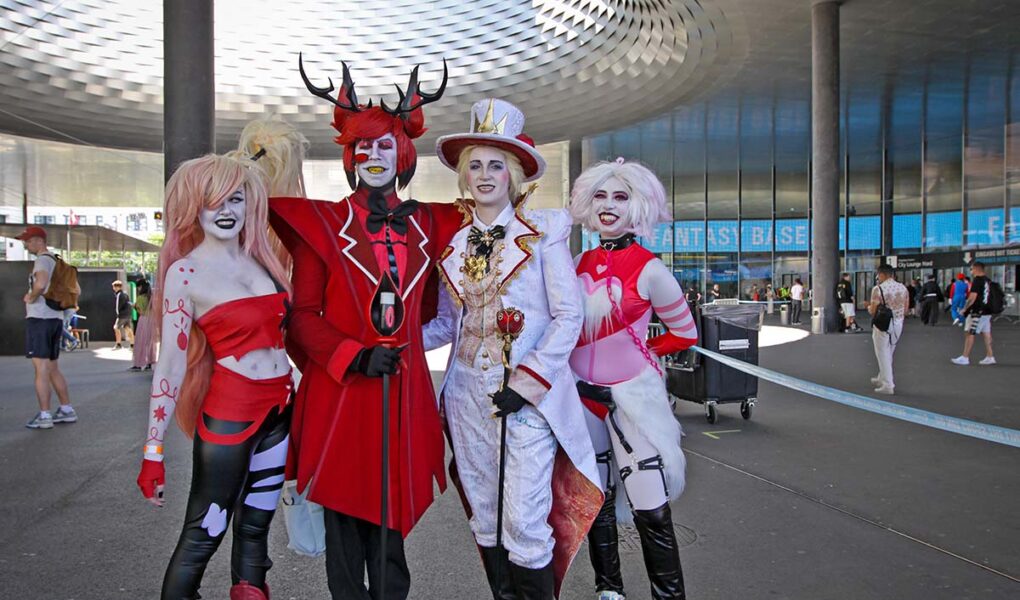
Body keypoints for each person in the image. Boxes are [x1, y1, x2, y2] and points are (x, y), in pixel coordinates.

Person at [267, 59, 463, 600]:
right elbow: (302, 316)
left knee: (392, 515)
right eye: (362, 147)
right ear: (349, 157)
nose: (373, 156)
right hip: (343, 392)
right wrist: (352, 354)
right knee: (344, 516)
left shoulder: (435, 221)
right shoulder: (323, 225)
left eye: (384, 146)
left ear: (403, 155)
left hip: (403, 391)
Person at [423, 98, 602, 599]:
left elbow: (568, 316)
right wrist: (390, 341)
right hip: (465, 396)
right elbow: (448, 324)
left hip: (527, 401)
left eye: (495, 165)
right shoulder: (452, 245)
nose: (484, 175)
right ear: (464, 174)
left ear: (514, 175)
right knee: (485, 515)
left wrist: (527, 383)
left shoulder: (544, 233)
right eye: (475, 165)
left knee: (523, 521)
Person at [134, 155, 292, 600]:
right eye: (212, 200)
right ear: (193, 208)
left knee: (256, 527)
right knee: (205, 530)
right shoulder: (185, 272)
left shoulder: (262, 260)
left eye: (235, 199)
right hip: (231, 416)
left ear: (249, 204)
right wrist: (153, 451)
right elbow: (170, 365)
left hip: (280, 411)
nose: (225, 210)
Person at [570, 158, 698, 600]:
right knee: (596, 500)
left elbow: (685, 333)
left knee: (651, 506)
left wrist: (644, 353)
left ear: (638, 206)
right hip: (580, 397)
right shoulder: (576, 262)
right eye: (600, 196)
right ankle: (609, 590)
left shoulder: (651, 269)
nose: (608, 206)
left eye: (620, 197)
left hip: (630, 397)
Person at [17, 226, 77, 430]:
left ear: (39, 241)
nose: (26, 245)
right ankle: (66, 409)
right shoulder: (57, 261)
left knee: (41, 368)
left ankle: (44, 415)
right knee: (52, 367)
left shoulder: (42, 260)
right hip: (55, 319)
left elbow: (41, 283)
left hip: (40, 318)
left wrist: (31, 296)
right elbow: (75, 289)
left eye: (28, 241)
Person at [868, 264, 908, 395]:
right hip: (898, 322)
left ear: (882, 275)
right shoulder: (903, 288)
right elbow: (906, 308)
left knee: (882, 352)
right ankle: (882, 377)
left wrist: (868, 308)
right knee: (890, 350)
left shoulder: (878, 289)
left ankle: (888, 384)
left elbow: (873, 310)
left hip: (883, 323)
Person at [951, 261, 996, 366]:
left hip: (977, 312)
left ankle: (965, 357)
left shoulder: (977, 280)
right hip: (986, 311)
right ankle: (990, 356)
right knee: (986, 333)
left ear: (976, 269)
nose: (971, 271)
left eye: (971, 269)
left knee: (969, 333)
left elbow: (972, 297)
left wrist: (965, 309)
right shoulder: (987, 280)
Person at [130, 279, 155, 371]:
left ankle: (139, 363)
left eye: (138, 287)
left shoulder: (140, 298)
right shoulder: (151, 296)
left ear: (141, 287)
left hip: (143, 321)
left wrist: (134, 306)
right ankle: (149, 362)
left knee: (140, 342)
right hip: (151, 320)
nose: (138, 289)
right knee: (149, 342)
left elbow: (141, 311)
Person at [112, 280, 135, 349]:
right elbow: (128, 303)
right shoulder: (125, 294)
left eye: (114, 287)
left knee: (116, 327)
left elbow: (117, 306)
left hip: (122, 314)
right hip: (128, 314)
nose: (114, 288)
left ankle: (118, 344)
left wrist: (118, 314)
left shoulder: (119, 295)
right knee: (127, 328)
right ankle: (132, 345)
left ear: (117, 287)